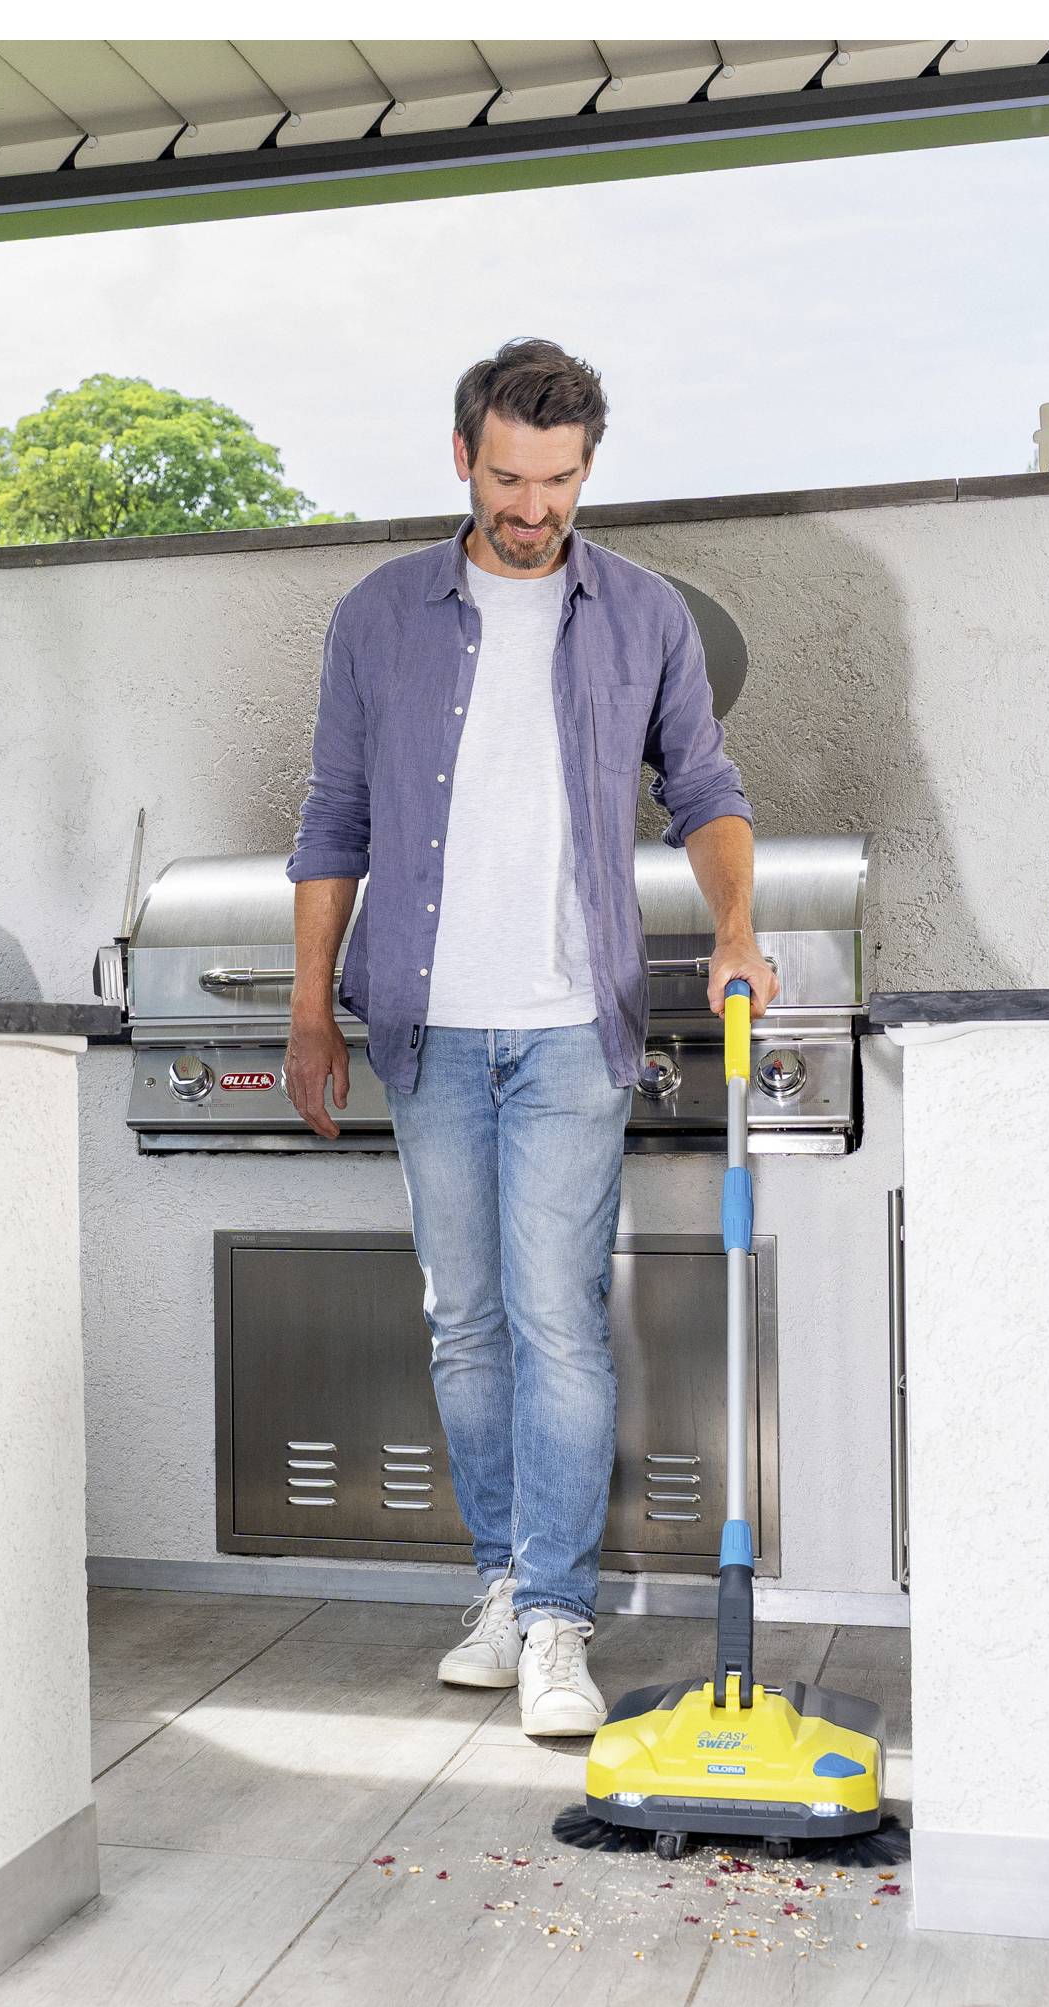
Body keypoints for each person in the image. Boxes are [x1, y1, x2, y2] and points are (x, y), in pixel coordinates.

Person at [281, 339, 777, 1737]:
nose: (532, 505)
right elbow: (334, 823)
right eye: (509, 475)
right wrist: (313, 1007)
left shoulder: (642, 615)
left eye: (558, 480)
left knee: (559, 1321)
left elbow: (706, 787)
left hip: (571, 1028)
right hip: (429, 1026)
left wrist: (735, 923)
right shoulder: (378, 617)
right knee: (464, 1322)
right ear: (462, 458)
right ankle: (498, 1586)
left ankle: (557, 1621)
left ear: (586, 471)